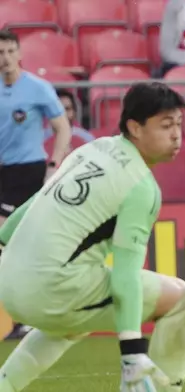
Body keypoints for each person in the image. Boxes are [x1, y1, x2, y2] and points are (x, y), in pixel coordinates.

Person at [0, 82, 185, 392]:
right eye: (165, 126)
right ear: (135, 127)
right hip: (50, 289)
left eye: (178, 125)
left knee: (74, 320)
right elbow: (125, 276)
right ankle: (162, 387)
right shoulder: (141, 187)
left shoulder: (92, 149)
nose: (176, 135)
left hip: (9, 282)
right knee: (182, 300)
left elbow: (23, 214)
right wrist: (132, 352)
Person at [0, 29, 72, 340]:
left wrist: (54, 165)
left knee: (14, 241)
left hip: (28, 171)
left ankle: (26, 314)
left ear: (19, 54)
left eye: (9, 52)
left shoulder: (37, 88)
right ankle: (21, 315)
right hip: (2, 171)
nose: (4, 59)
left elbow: (62, 128)